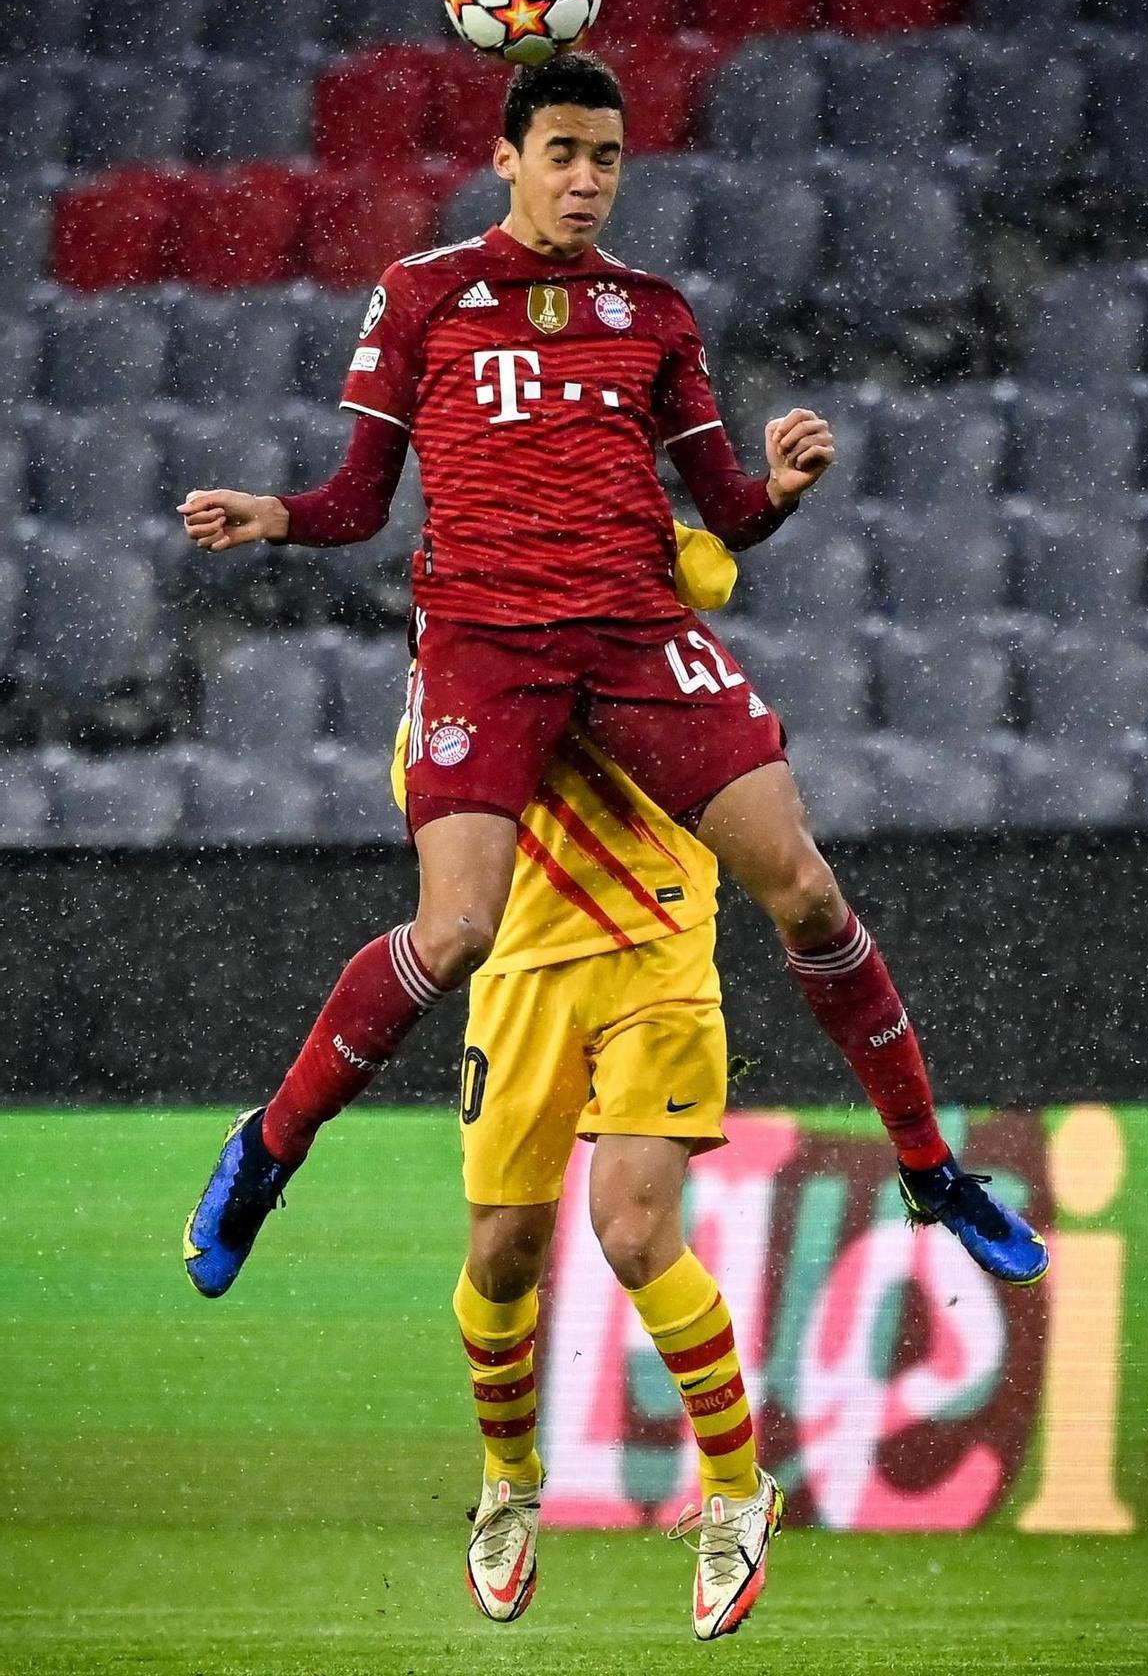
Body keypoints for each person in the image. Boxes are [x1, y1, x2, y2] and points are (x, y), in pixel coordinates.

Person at [181, 53, 1045, 1349]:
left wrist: (782, 483)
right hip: (483, 642)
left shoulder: (653, 312)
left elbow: (731, 517)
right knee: (459, 928)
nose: (587, 180)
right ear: (508, 159)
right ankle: (270, 1146)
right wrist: (275, 515)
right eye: (565, 154)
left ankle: (930, 1172)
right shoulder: (425, 293)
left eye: (607, 159)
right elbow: (362, 500)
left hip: (635, 635)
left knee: (804, 888)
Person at [191, 525, 783, 1640]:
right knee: (502, 1253)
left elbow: (713, 558)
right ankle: (508, 1486)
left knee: (633, 1229)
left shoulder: (628, 563)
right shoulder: (440, 714)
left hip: (656, 956)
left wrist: (765, 498)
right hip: (517, 983)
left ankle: (737, 1490)